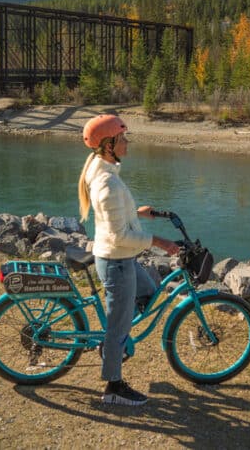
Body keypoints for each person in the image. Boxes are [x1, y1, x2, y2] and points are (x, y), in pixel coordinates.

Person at [78, 113, 180, 406]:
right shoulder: (107, 184)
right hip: (117, 261)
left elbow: (111, 218)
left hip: (122, 259)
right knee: (118, 327)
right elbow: (119, 236)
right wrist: (158, 241)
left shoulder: (101, 169)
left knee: (150, 292)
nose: (127, 143)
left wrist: (136, 212)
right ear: (108, 145)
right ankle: (113, 386)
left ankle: (116, 344)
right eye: (122, 138)